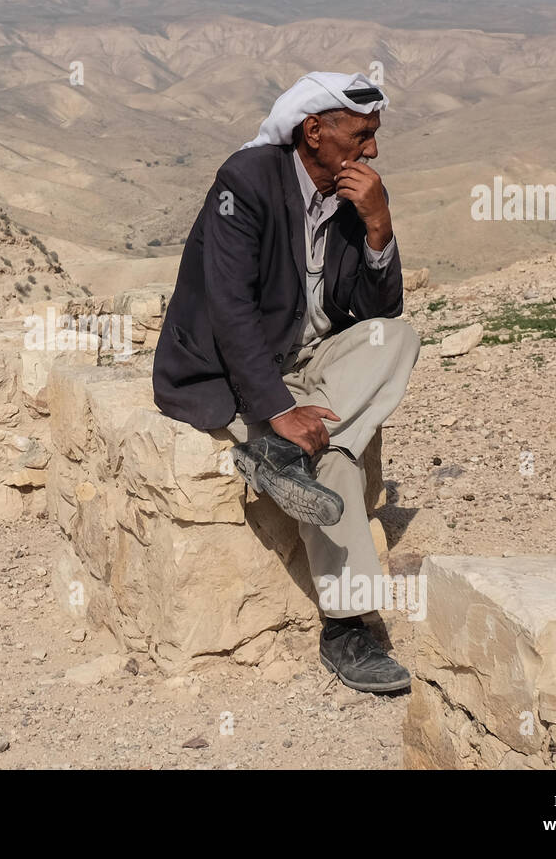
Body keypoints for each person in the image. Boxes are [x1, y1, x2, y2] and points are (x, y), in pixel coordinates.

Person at [153, 71, 421, 693]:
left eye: (375, 136)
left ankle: (283, 453)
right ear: (314, 131)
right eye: (362, 135)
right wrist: (278, 410)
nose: (373, 151)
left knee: (398, 338)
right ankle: (347, 626)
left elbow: (378, 312)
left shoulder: (354, 196)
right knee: (333, 463)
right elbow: (229, 309)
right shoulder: (245, 183)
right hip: (233, 369)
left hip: (311, 358)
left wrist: (379, 227)